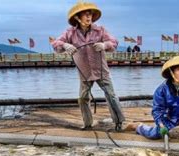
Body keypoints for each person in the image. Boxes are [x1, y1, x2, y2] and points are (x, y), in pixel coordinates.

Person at [51, 1, 125, 131]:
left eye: (90, 14)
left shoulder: (100, 30)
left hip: (101, 70)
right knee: (82, 98)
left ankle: (119, 122)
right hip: (84, 73)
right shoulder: (70, 33)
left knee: (111, 95)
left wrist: (104, 45)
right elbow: (56, 44)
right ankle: (87, 123)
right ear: (77, 18)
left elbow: (114, 42)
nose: (88, 17)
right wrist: (65, 45)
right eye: (85, 14)